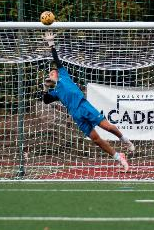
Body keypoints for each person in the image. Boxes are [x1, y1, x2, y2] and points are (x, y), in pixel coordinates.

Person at [41, 31, 134, 169]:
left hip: (84, 106)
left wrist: (51, 44)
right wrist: (45, 87)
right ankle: (119, 157)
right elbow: (46, 100)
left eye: (53, 72)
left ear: (58, 73)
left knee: (107, 127)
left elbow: (57, 60)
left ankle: (124, 139)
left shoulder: (64, 77)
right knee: (96, 139)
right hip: (76, 115)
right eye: (50, 73)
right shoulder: (55, 91)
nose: (51, 73)